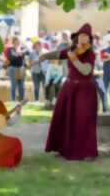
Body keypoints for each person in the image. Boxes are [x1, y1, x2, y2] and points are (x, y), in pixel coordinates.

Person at [41, 23, 98, 161]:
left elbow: (86, 70)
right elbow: (59, 54)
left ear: (89, 39)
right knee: (64, 118)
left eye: (86, 36)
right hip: (69, 89)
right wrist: (45, 56)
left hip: (85, 91)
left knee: (83, 120)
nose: (83, 38)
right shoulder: (72, 49)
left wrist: (75, 60)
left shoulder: (90, 54)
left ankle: (87, 152)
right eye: (81, 35)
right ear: (77, 37)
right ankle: (63, 148)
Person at [7, 37, 26, 101]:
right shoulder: (10, 49)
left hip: (21, 68)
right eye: (16, 41)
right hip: (13, 68)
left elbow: (23, 57)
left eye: (18, 41)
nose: (18, 42)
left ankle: (21, 99)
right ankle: (13, 100)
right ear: (13, 42)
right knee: (14, 85)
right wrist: (18, 55)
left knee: (22, 86)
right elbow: (11, 58)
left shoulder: (22, 49)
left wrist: (20, 53)